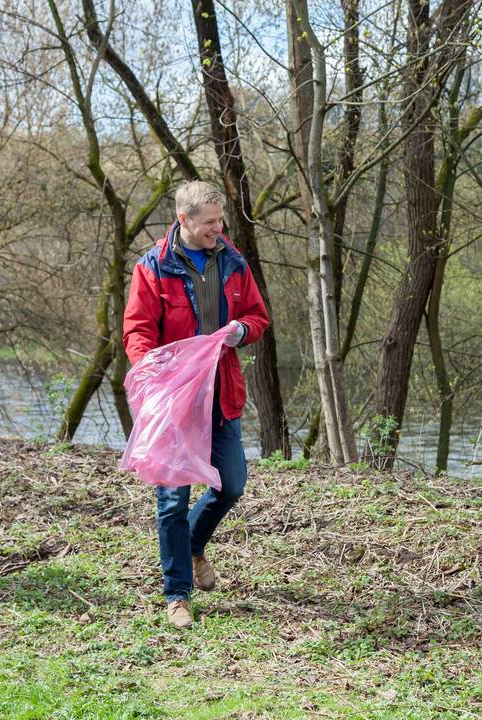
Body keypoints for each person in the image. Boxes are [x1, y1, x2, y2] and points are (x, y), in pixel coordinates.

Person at [122, 181, 269, 628]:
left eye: (220, 220)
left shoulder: (233, 261)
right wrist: (155, 375)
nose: (218, 229)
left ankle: (192, 544)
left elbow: (259, 318)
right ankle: (177, 596)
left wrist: (240, 331)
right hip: (175, 400)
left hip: (222, 391)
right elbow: (137, 332)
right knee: (172, 501)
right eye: (209, 222)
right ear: (183, 220)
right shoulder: (152, 267)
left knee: (232, 484)